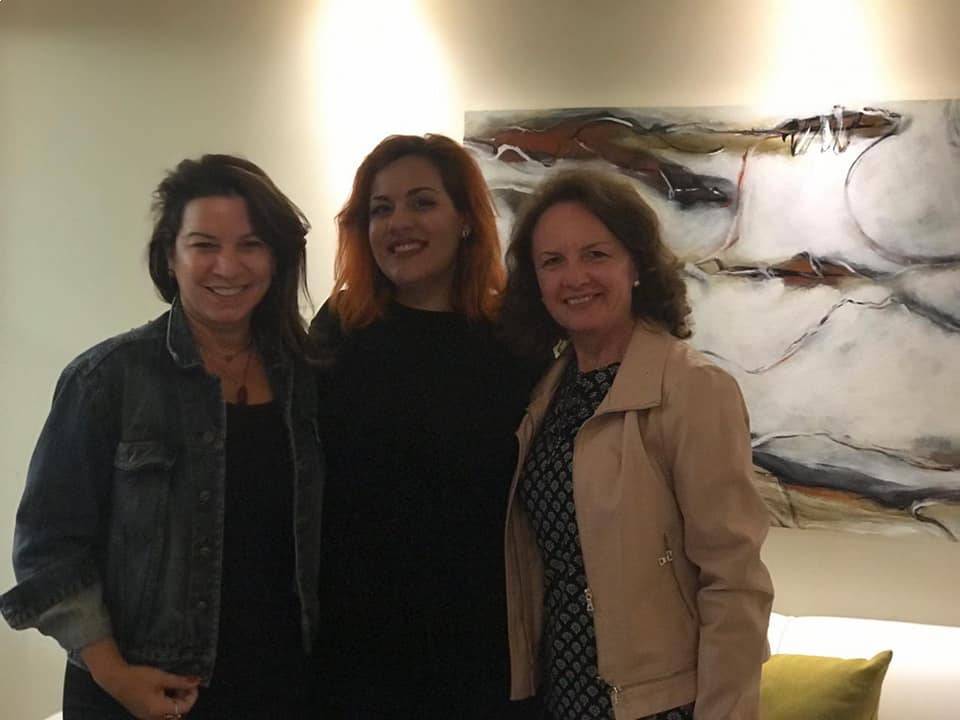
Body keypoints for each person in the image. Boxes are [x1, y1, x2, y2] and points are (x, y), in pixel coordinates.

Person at [1, 154, 324, 719]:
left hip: (281, 687)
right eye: (204, 245)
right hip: (137, 691)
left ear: (276, 258)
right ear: (170, 257)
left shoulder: (309, 378)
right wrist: (115, 676)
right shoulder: (107, 379)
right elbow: (48, 545)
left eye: (251, 244)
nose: (228, 265)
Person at [498, 169, 774, 720]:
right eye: (552, 261)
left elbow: (734, 582)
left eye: (596, 254)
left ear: (636, 265)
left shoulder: (692, 389)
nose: (575, 277)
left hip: (662, 704)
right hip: (561, 694)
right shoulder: (548, 392)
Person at [309, 134, 542, 719]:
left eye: (422, 202)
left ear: (465, 219)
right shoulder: (340, 329)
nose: (398, 223)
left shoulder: (516, 340)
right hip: (354, 651)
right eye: (380, 209)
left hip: (482, 652)